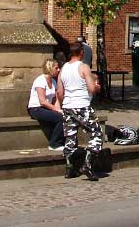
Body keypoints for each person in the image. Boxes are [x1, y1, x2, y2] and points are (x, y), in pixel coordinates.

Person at [59, 40, 104, 180]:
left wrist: (63, 105)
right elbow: (91, 88)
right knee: (97, 133)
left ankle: (69, 168)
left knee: (70, 137)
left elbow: (59, 92)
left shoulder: (63, 68)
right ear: (82, 53)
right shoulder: (84, 67)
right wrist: (97, 87)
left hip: (67, 106)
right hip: (82, 105)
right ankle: (87, 164)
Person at [27, 59, 64, 151]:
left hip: (46, 108)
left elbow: (55, 100)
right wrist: (57, 110)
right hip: (36, 109)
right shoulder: (40, 80)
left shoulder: (54, 82)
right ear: (50, 68)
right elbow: (42, 101)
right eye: (56, 68)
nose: (58, 70)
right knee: (62, 118)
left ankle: (62, 141)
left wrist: (59, 110)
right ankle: (54, 144)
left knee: (64, 116)